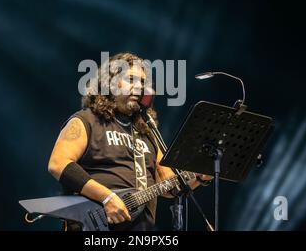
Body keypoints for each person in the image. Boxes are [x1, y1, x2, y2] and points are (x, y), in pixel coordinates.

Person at [48, 52, 211, 230]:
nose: (138, 87)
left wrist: (200, 177)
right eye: (131, 79)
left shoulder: (147, 133)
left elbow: (168, 186)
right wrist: (107, 198)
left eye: (142, 82)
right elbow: (58, 164)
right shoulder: (87, 120)